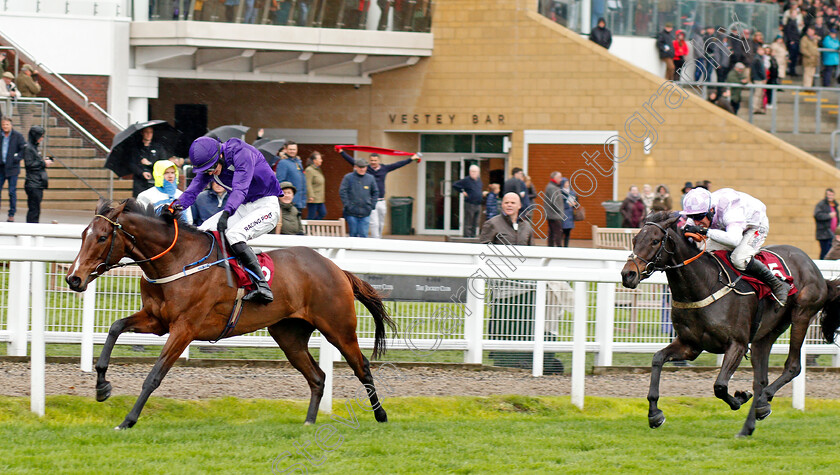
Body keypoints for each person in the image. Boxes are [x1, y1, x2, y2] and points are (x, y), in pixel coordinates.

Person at [172, 136, 282, 303]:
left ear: (220, 156)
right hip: (243, 206)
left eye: (211, 168)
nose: (210, 172)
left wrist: (226, 212)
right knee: (203, 231)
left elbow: (240, 189)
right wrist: (173, 207)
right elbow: (193, 191)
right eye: (206, 170)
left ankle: (262, 285)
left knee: (234, 235)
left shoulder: (242, 153)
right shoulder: (213, 163)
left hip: (266, 205)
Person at [682, 187, 791, 306]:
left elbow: (734, 240)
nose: (696, 222)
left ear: (711, 210)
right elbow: (688, 228)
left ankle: (778, 284)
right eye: (692, 217)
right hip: (730, 226)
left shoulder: (730, 210)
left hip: (755, 226)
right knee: (705, 254)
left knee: (739, 259)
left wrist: (705, 232)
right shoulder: (703, 209)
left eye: (699, 217)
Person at [338, 147, 419, 238]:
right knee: (374, 224)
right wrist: (341, 152)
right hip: (370, 201)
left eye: (375, 160)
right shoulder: (366, 169)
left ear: (379, 160)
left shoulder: (384, 168)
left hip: (381, 201)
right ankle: (375, 241)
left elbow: (398, 164)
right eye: (371, 160)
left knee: (380, 223)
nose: (373, 162)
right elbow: (352, 161)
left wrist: (411, 159)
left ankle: (378, 240)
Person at [136, 160, 193, 224]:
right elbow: (141, 222)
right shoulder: (145, 196)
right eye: (166, 173)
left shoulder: (182, 195)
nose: (170, 176)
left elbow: (189, 221)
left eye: (172, 173)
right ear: (158, 174)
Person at [339, 157, 379, 238]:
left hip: (365, 212)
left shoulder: (370, 178)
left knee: (364, 235)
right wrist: (347, 205)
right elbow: (342, 191)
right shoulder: (348, 177)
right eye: (360, 167)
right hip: (351, 212)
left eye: (364, 167)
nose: (362, 169)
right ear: (355, 167)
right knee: (353, 234)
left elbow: (375, 192)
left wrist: (372, 206)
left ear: (366, 167)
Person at [21, 125, 51, 223]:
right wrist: (43, 163)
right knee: (34, 209)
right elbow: (29, 164)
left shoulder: (34, 148)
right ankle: (31, 228)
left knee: (36, 208)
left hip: (37, 182)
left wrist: (42, 161)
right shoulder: (29, 148)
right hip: (33, 183)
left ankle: (33, 226)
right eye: (40, 136)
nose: (42, 139)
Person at [131, 126, 170, 197]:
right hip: (139, 182)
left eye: (151, 132)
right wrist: (142, 173)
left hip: (154, 180)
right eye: (146, 132)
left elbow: (163, 163)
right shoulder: (136, 148)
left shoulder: (158, 147)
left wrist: (150, 164)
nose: (149, 134)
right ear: (142, 133)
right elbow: (132, 163)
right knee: (139, 203)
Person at [0, 116, 25, 222]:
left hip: (13, 168)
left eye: (7, 124)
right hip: (1, 168)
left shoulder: (18, 136)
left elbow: (23, 149)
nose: (5, 126)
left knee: (12, 191)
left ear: (11, 125)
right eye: (3, 125)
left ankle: (11, 213)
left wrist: (17, 158)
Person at [274, 140, 307, 213]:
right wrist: (286, 196)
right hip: (289, 201)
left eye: (294, 149)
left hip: (300, 200)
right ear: (285, 149)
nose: (292, 151)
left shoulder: (298, 162)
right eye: (290, 149)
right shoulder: (283, 163)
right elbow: (280, 182)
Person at [452, 164, 483, 238]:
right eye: (472, 171)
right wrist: (462, 191)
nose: (473, 173)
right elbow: (455, 185)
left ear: (478, 172)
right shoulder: (466, 180)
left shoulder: (479, 181)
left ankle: (473, 236)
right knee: (469, 221)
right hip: (470, 203)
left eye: (475, 171)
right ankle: (467, 237)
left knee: (476, 222)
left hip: (478, 203)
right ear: (469, 172)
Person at [814, 188, 839, 259]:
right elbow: (817, 215)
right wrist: (828, 216)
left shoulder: (834, 205)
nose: (830, 196)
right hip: (824, 234)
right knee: (825, 252)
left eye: (832, 195)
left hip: (833, 234)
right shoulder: (821, 205)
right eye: (829, 195)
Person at [543, 171, 565, 247]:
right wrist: (560, 211)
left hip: (553, 214)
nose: (561, 179)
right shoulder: (552, 187)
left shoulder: (553, 186)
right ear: (555, 178)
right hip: (554, 214)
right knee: (557, 232)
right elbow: (555, 201)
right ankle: (558, 247)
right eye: (559, 177)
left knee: (552, 232)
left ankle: (551, 247)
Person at [304, 151, 326, 220]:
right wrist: (311, 196)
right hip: (313, 198)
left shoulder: (318, 169)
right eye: (320, 159)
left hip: (320, 198)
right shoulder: (309, 170)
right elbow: (308, 183)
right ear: (314, 160)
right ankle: (309, 229)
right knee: (311, 216)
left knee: (323, 213)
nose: (321, 160)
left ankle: (314, 227)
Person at [558, 178, 577, 247]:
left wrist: (574, 204)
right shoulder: (560, 192)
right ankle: (559, 245)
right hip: (563, 213)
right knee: (561, 231)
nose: (567, 184)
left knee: (568, 231)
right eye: (566, 183)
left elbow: (576, 202)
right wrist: (566, 204)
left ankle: (566, 246)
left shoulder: (572, 193)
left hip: (570, 214)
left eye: (568, 183)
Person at [750, 46, 767, 114]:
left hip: (758, 78)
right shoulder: (757, 59)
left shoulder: (759, 58)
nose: (763, 52)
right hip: (758, 79)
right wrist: (764, 78)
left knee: (759, 94)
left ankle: (758, 107)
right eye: (761, 50)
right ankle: (755, 108)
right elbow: (760, 70)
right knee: (757, 94)